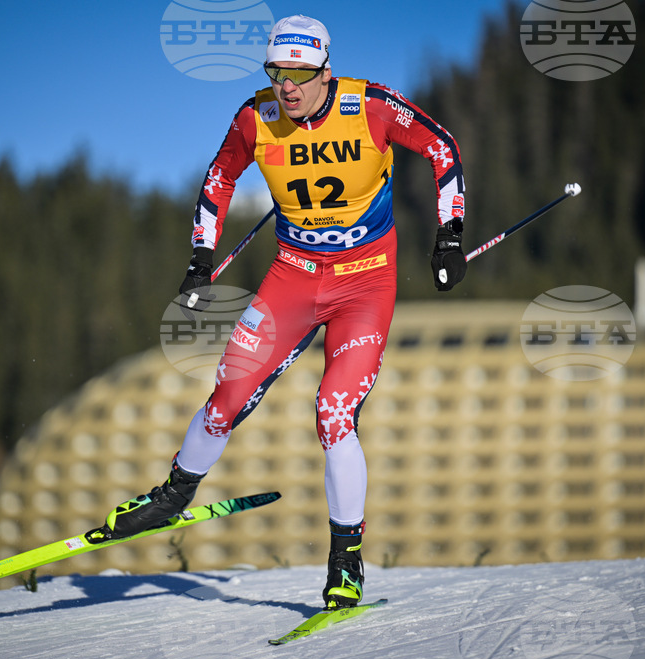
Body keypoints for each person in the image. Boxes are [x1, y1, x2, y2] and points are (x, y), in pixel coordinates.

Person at [90, 14, 467, 609]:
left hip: (365, 282)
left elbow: (442, 148)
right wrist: (199, 260)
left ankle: (346, 560)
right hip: (292, 278)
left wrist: (449, 236)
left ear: (324, 70)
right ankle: (174, 493)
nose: (286, 87)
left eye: (298, 74)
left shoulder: (368, 105)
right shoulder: (255, 116)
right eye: (275, 73)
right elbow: (217, 180)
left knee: (333, 413)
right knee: (228, 391)